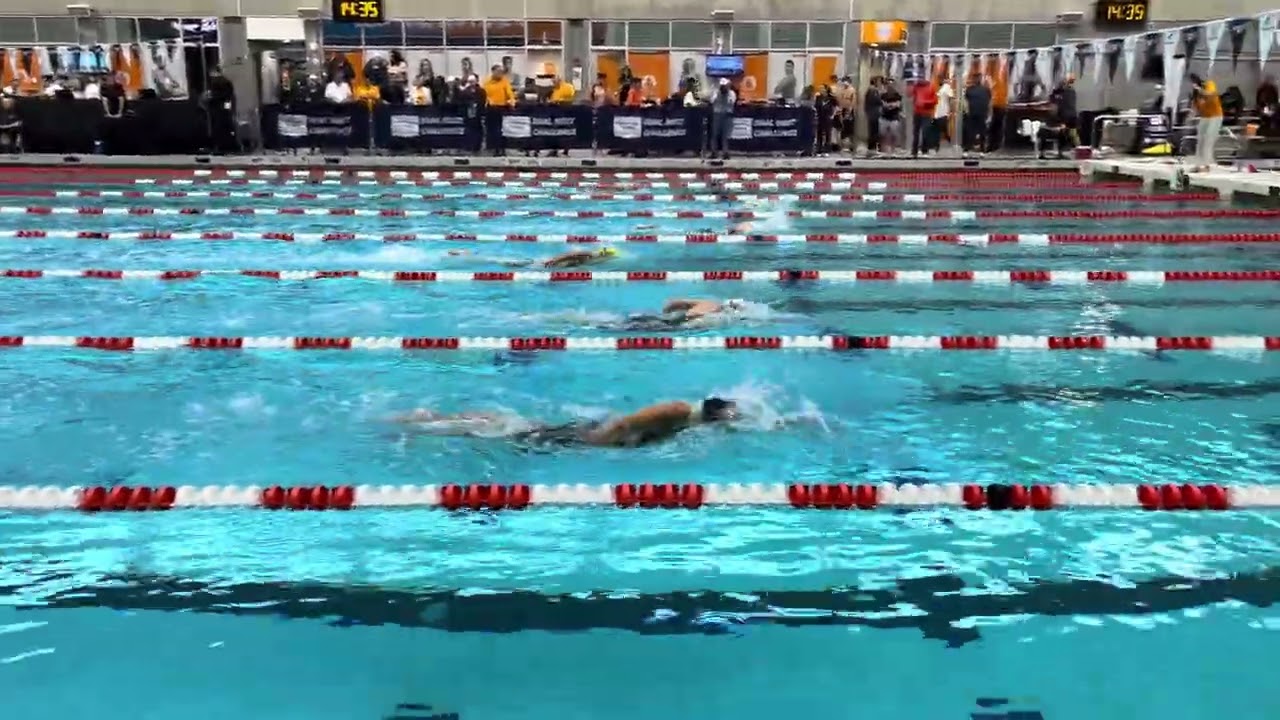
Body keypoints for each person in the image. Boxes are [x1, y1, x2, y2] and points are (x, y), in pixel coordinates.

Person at [394, 397, 740, 449]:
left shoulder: (688, 419)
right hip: (586, 437)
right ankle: (420, 422)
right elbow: (625, 424)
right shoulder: (676, 411)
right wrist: (598, 444)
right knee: (499, 433)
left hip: (586, 434)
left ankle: (427, 419)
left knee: (511, 428)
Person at [617, 298, 747, 331]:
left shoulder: (710, 305)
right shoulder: (712, 306)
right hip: (672, 323)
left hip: (668, 320)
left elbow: (674, 302)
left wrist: (666, 312)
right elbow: (691, 313)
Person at [1191, 76, 1223, 172]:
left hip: (1215, 116)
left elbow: (1211, 94)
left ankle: (1207, 165)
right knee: (1200, 141)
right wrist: (1190, 116)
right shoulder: (1196, 95)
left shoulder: (1209, 85)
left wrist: (1200, 90)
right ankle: (1198, 164)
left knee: (1208, 140)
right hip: (1205, 117)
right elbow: (1195, 109)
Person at [910, 78, 937, 157]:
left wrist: (925, 103)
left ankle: (924, 150)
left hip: (926, 113)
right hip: (917, 112)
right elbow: (914, 97)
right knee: (916, 132)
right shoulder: (916, 87)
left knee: (925, 131)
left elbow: (935, 100)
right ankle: (914, 151)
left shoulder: (931, 87)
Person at [879, 79, 903, 154]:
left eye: (891, 84)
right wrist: (892, 105)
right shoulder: (883, 95)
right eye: (888, 84)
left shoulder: (897, 95)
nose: (890, 85)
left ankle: (893, 149)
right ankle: (884, 149)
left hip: (894, 118)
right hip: (884, 117)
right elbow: (884, 105)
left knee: (894, 134)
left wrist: (890, 105)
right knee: (883, 134)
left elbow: (898, 105)